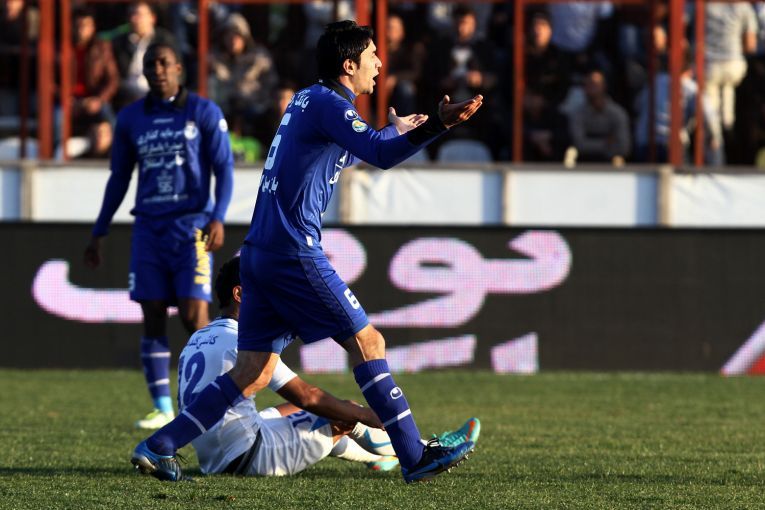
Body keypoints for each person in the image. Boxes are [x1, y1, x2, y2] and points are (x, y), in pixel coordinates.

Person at [132, 20, 482, 484]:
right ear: (349, 65)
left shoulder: (308, 101)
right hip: (293, 249)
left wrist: (394, 131)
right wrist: (438, 124)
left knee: (252, 371)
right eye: (372, 55)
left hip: (259, 251)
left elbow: (352, 151)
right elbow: (379, 155)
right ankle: (415, 456)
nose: (380, 64)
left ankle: (159, 445)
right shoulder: (328, 103)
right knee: (369, 343)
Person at [179, 256, 480, 478]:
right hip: (248, 456)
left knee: (296, 412)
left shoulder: (199, 336)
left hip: (214, 455)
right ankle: (425, 449)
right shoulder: (241, 341)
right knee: (342, 413)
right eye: (263, 290)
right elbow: (307, 396)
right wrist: (365, 414)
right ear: (240, 295)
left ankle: (380, 456)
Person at [84, 42, 234, 430]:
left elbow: (224, 168)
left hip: (192, 227)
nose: (157, 70)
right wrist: (99, 229)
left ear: (179, 68)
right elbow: (119, 177)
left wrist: (218, 217)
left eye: (164, 63)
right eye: (151, 64)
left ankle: (213, 401)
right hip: (149, 228)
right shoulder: (131, 118)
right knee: (151, 312)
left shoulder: (203, 111)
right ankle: (163, 407)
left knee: (193, 314)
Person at [70, 7, 119, 136]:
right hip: (69, 101)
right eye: (77, 25)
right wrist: (66, 100)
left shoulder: (102, 47)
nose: (81, 30)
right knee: (57, 118)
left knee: (109, 118)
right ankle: (57, 148)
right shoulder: (60, 47)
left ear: (93, 27)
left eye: (85, 25)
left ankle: (118, 147)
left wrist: (99, 100)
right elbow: (48, 80)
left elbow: (113, 79)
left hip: (95, 99)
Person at [568, 68, 631, 164]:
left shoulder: (618, 113)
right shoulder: (578, 113)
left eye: (594, 84)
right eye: (587, 84)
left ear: (604, 86)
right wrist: (606, 143)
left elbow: (623, 148)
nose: (590, 87)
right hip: (583, 165)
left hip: (611, 166)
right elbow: (578, 144)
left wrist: (590, 143)